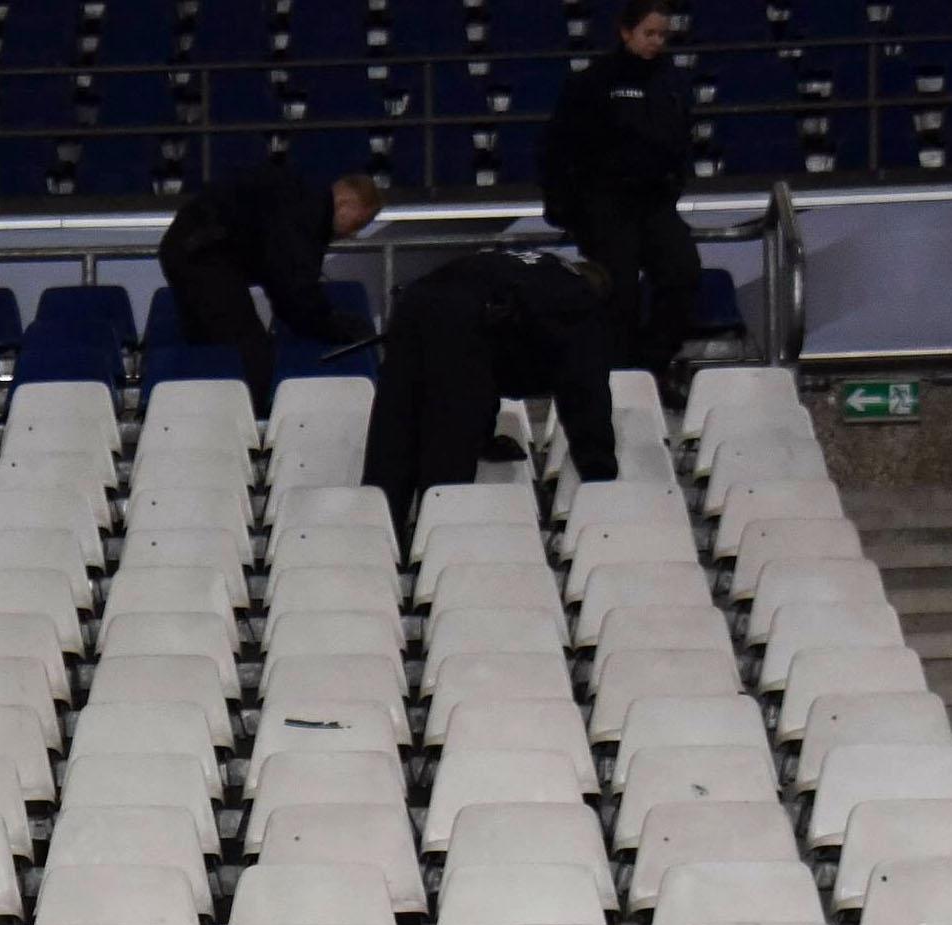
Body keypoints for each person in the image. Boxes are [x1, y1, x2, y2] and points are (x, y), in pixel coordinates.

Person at [360, 246, 621, 540]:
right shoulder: (579, 303)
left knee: (396, 426)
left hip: (415, 301)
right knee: (449, 447)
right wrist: (601, 475)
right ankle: (436, 545)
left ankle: (377, 540)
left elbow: (492, 365)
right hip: (463, 320)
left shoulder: (531, 266)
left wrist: (484, 438)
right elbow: (586, 394)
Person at [544, 0, 701, 383]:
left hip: (654, 202)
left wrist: (672, 185)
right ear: (626, 32)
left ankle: (654, 366)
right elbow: (558, 145)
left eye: (663, 35)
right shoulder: (595, 81)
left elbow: (681, 140)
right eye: (649, 33)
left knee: (683, 272)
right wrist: (566, 205)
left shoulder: (671, 83)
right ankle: (620, 376)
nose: (656, 42)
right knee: (619, 292)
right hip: (606, 204)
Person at [153, 164, 380, 416]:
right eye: (359, 222)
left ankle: (207, 418)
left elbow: (287, 284)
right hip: (203, 254)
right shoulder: (306, 213)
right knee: (248, 352)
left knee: (212, 347)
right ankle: (250, 421)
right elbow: (293, 287)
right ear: (346, 203)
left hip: (193, 248)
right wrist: (332, 326)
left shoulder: (299, 196)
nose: (353, 233)